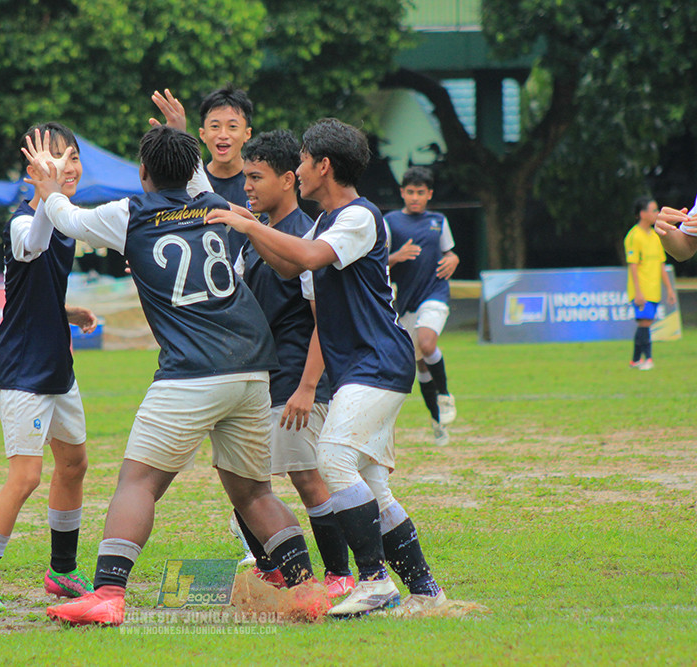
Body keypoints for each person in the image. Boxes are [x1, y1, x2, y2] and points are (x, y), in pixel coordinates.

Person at [26, 124, 330, 627]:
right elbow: (188, 179)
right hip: (253, 367)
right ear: (193, 166)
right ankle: (306, 589)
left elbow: (68, 219)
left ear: (143, 172)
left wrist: (48, 184)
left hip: (192, 371)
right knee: (255, 493)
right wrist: (181, 136)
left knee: (138, 483)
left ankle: (107, 593)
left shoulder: (132, 213)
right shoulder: (216, 204)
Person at [207, 118, 447, 618]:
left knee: (333, 459)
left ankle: (374, 581)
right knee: (371, 487)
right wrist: (244, 220)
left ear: (323, 166)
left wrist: (250, 226)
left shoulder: (358, 217)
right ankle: (426, 590)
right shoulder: (325, 221)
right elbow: (292, 265)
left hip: (378, 360)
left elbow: (311, 256)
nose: (296, 169)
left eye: (301, 161)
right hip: (362, 365)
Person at [0, 123, 99, 613]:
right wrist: (47, 195)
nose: (69, 168)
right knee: (26, 476)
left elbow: (36, 287)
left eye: (73, 158)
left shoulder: (65, 217)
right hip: (22, 367)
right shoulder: (22, 221)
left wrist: (68, 311)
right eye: (55, 160)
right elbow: (32, 245)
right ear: (33, 170)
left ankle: (62, 573)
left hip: (57, 361)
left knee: (75, 463)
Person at [226, 129, 354, 599]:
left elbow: (325, 320)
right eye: (245, 178)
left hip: (297, 380)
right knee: (243, 480)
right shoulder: (251, 239)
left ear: (287, 179)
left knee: (306, 477)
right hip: (256, 381)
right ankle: (271, 569)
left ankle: (340, 574)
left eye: (256, 177)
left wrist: (306, 387)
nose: (248, 187)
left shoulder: (307, 237)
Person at [384, 166, 459, 446]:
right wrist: (397, 256)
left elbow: (448, 252)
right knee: (420, 366)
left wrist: (454, 259)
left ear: (429, 194)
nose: (415, 197)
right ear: (402, 193)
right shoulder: (390, 221)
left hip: (435, 294)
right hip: (405, 302)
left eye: (421, 192)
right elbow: (377, 261)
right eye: (410, 192)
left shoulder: (438, 221)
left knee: (427, 345)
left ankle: (446, 394)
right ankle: (437, 420)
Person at [198, 84, 256, 258]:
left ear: (247, 134)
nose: (223, 134)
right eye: (215, 126)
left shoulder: (261, 183)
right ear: (203, 134)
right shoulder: (193, 185)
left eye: (232, 127)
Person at [625, 196, 676, 370]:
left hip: (654, 290)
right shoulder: (633, 236)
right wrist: (638, 292)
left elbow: (661, 265)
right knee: (645, 322)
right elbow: (633, 266)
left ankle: (635, 360)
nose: (657, 213)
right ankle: (648, 360)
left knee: (646, 322)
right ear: (642, 214)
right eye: (653, 210)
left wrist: (669, 289)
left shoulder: (656, 236)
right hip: (642, 290)